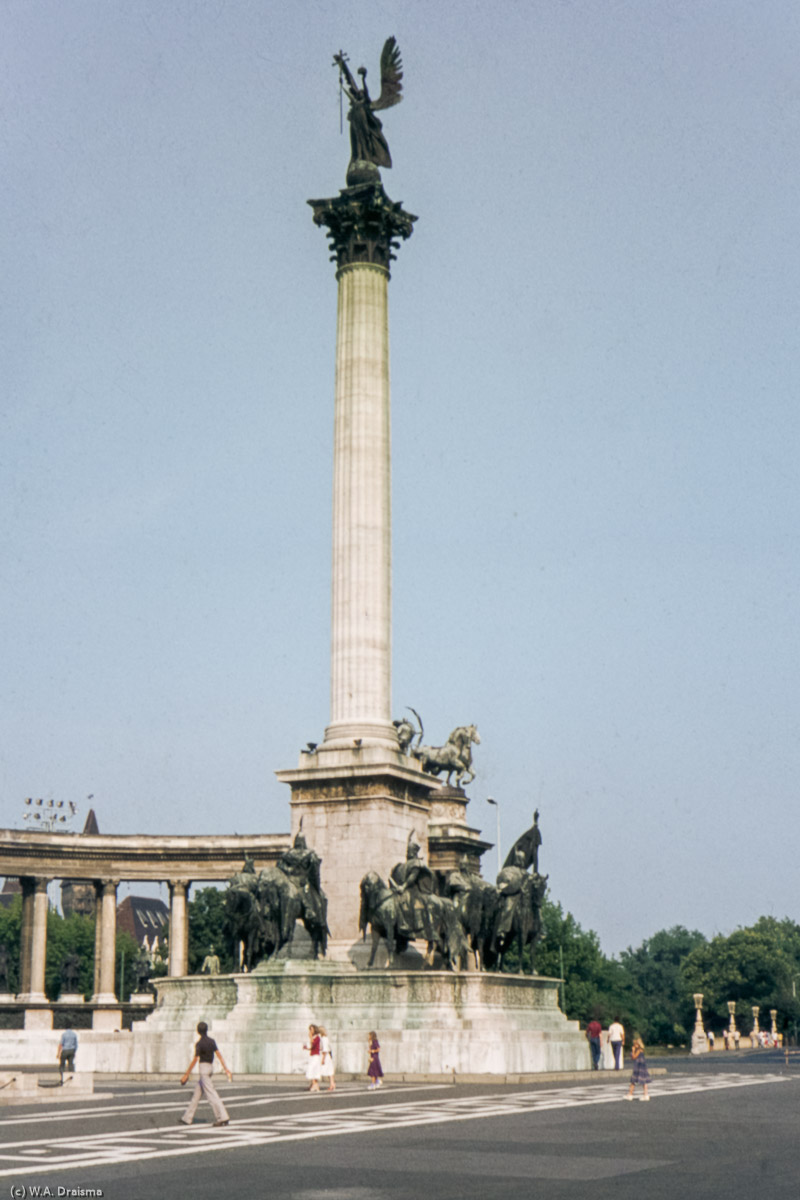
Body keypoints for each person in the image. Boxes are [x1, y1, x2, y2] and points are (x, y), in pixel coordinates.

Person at [179, 1021, 232, 1127]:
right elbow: (219, 1055)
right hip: (210, 1068)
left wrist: (186, 1074)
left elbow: (195, 1059)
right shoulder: (212, 1041)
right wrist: (226, 1069)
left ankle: (223, 1117)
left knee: (211, 1094)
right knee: (197, 1094)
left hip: (203, 1069)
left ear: (198, 1031)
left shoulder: (199, 1043)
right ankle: (187, 1118)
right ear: (206, 1030)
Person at [625, 1035, 651, 1102]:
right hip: (641, 1066)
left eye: (635, 1044)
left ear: (638, 1044)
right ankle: (644, 1095)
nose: (634, 1046)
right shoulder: (640, 1050)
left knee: (634, 1080)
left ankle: (631, 1095)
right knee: (641, 1081)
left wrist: (633, 1051)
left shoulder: (639, 1050)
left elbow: (634, 1057)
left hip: (639, 1067)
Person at [304, 1024, 321, 1092]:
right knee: (312, 1070)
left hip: (315, 1056)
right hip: (312, 1055)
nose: (310, 1031)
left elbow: (313, 1045)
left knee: (312, 1069)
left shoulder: (317, 1037)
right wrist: (306, 1048)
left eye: (311, 1029)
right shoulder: (314, 1037)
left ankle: (315, 1085)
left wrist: (310, 1037)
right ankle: (313, 1085)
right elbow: (311, 1047)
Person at [318, 1025, 335, 1092]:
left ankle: (332, 1084)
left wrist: (323, 1059)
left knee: (328, 1071)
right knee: (329, 1070)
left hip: (325, 1056)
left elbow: (325, 1050)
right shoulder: (324, 1038)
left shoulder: (324, 1039)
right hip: (326, 1056)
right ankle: (332, 1084)